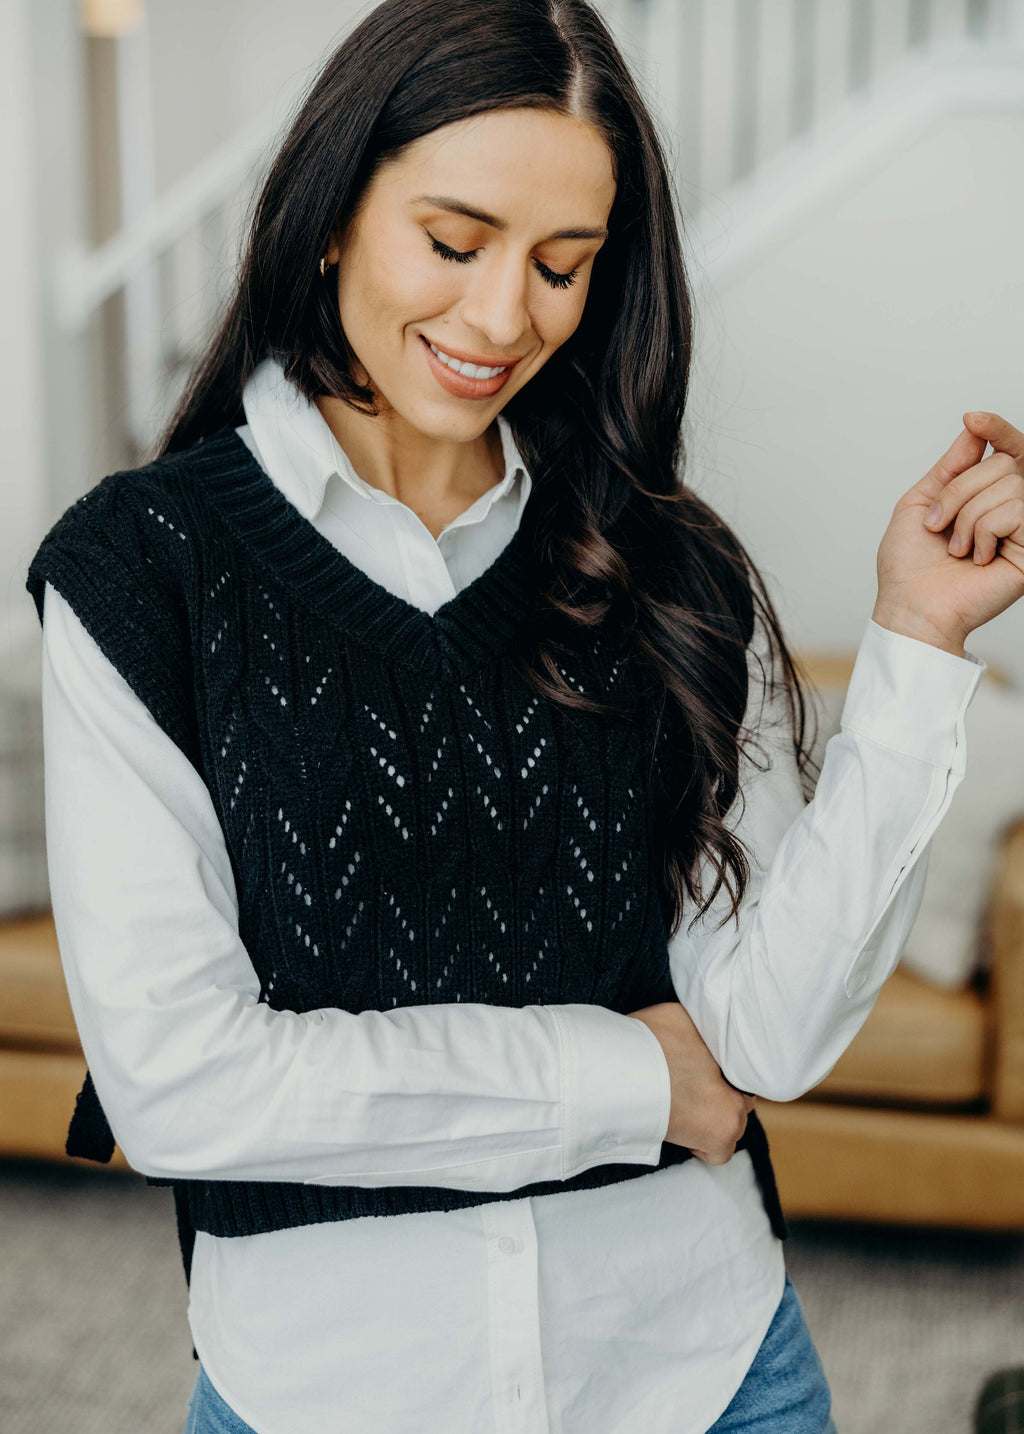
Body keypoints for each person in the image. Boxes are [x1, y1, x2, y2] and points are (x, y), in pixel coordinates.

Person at [24, 1, 1024, 1431]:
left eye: (564, 265)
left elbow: (772, 1031)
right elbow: (182, 1081)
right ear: (331, 216)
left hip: (705, 1367)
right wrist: (629, 1077)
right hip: (325, 1388)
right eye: (455, 242)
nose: (505, 319)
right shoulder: (142, 573)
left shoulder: (667, 571)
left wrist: (917, 642)